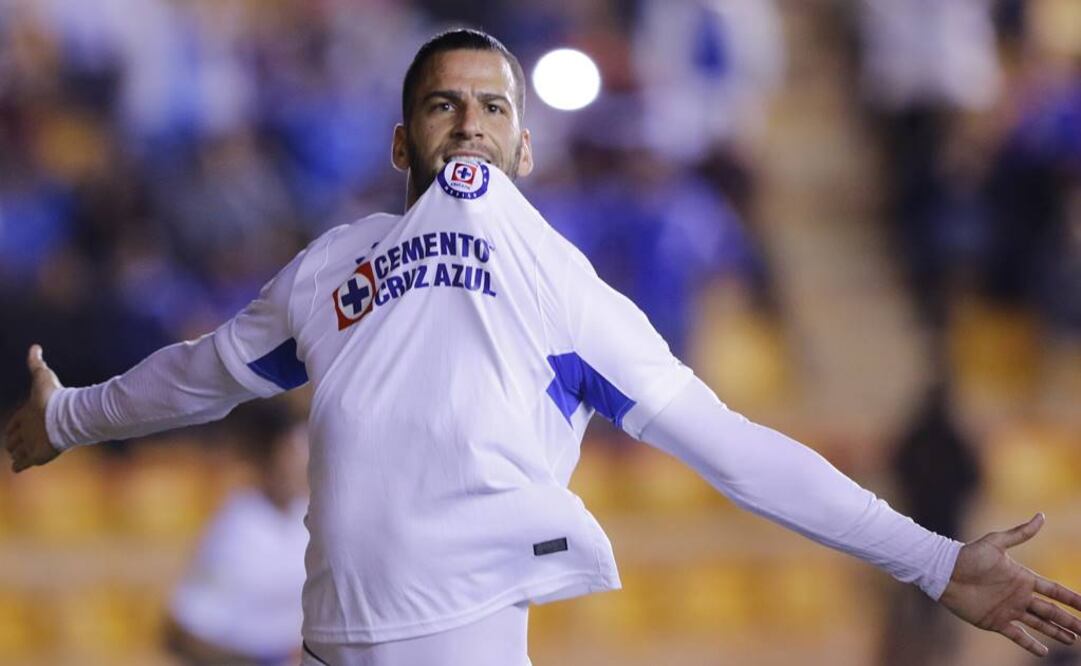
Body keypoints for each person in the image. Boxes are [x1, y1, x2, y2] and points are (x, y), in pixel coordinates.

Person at [4, 28, 1081, 666]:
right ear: (401, 142)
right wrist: (64, 416)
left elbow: (734, 448)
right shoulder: (331, 269)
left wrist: (932, 559)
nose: (467, 123)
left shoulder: (570, 296)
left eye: (490, 107)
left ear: (522, 144)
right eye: (440, 105)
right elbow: (197, 374)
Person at [163, 399, 310, 665]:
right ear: (267, 458)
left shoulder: (314, 520)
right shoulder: (235, 529)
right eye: (291, 454)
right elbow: (184, 635)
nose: (302, 465)